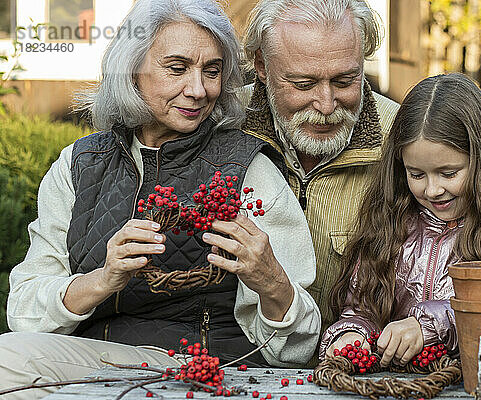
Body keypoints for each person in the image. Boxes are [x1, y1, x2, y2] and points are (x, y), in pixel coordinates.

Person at [1, 0, 320, 397]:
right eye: (177, 68)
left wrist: (272, 282)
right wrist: (102, 280)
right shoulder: (78, 165)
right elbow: (25, 312)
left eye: (212, 71)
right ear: (133, 68)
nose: (198, 90)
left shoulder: (247, 169)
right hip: (88, 359)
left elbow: (296, 348)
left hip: (196, 370)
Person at [320, 73, 481, 373]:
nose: (433, 190)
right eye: (417, 174)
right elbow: (361, 308)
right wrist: (351, 335)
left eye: (449, 173)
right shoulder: (392, 219)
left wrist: (435, 324)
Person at [238, 0, 401, 344]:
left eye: (345, 81)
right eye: (302, 84)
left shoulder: (405, 141)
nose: (326, 105)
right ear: (261, 66)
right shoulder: (221, 127)